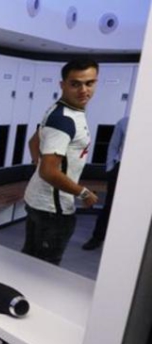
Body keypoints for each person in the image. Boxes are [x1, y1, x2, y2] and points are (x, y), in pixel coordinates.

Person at [21, 58, 99, 266]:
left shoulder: (59, 110)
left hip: (39, 201)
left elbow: (34, 142)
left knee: (28, 260)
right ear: (62, 85)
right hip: (53, 210)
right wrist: (84, 193)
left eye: (90, 83)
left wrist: (41, 166)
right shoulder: (64, 120)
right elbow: (48, 171)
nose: (84, 90)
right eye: (75, 84)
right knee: (45, 268)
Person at [82, 115, 130, 250]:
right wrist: (110, 168)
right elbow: (113, 146)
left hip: (144, 172)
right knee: (110, 205)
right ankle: (97, 237)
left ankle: (126, 241)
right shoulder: (124, 122)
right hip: (121, 168)